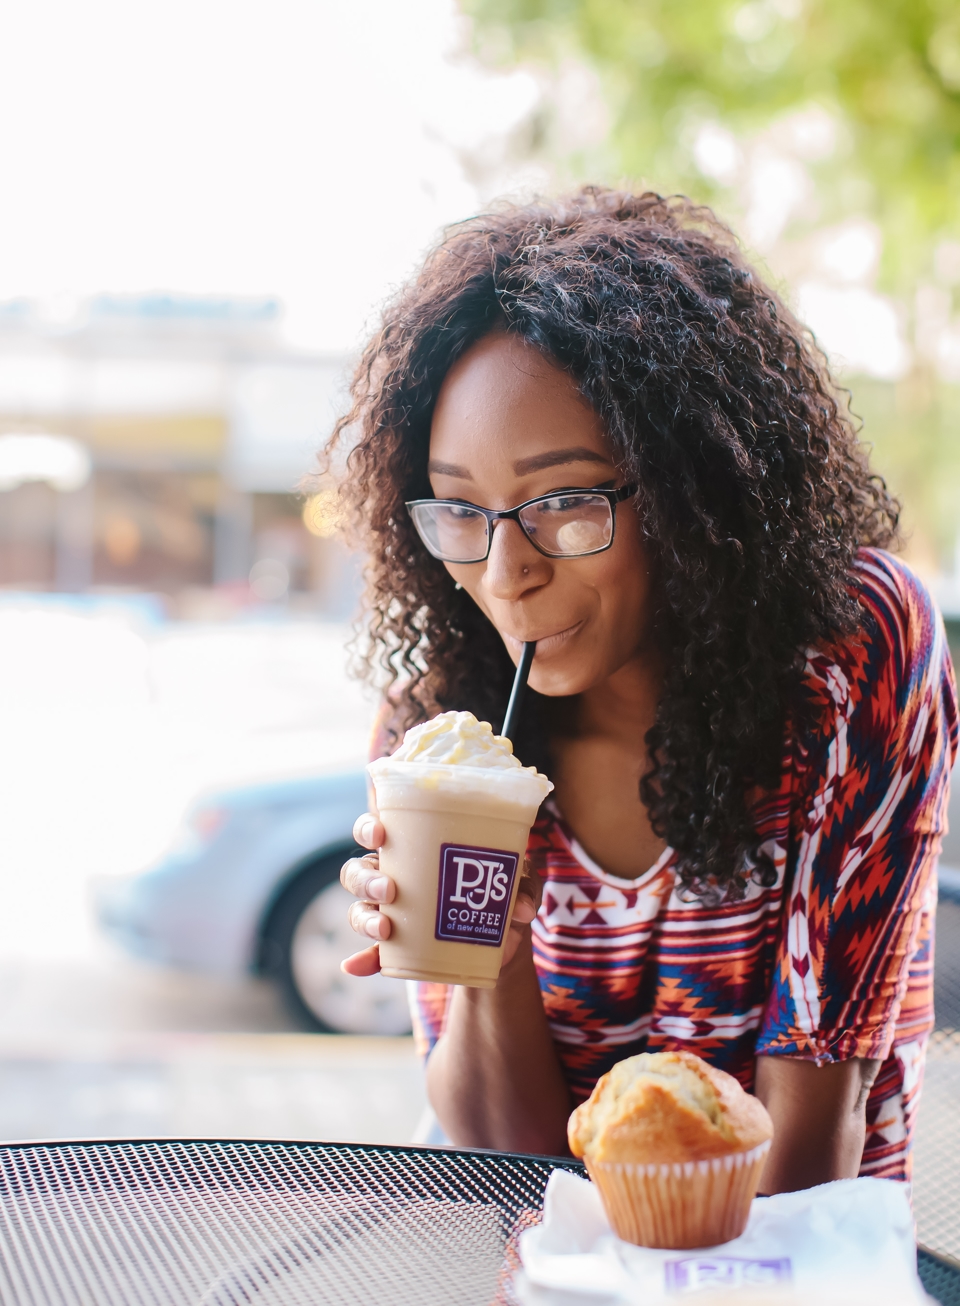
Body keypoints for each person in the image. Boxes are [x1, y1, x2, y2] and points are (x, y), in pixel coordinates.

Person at [333, 190, 957, 1191]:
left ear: (690, 487)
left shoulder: (852, 655)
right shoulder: (437, 734)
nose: (505, 575)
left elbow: (809, 1157)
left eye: (565, 503)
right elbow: (506, 1171)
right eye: (461, 511)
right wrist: (485, 959)